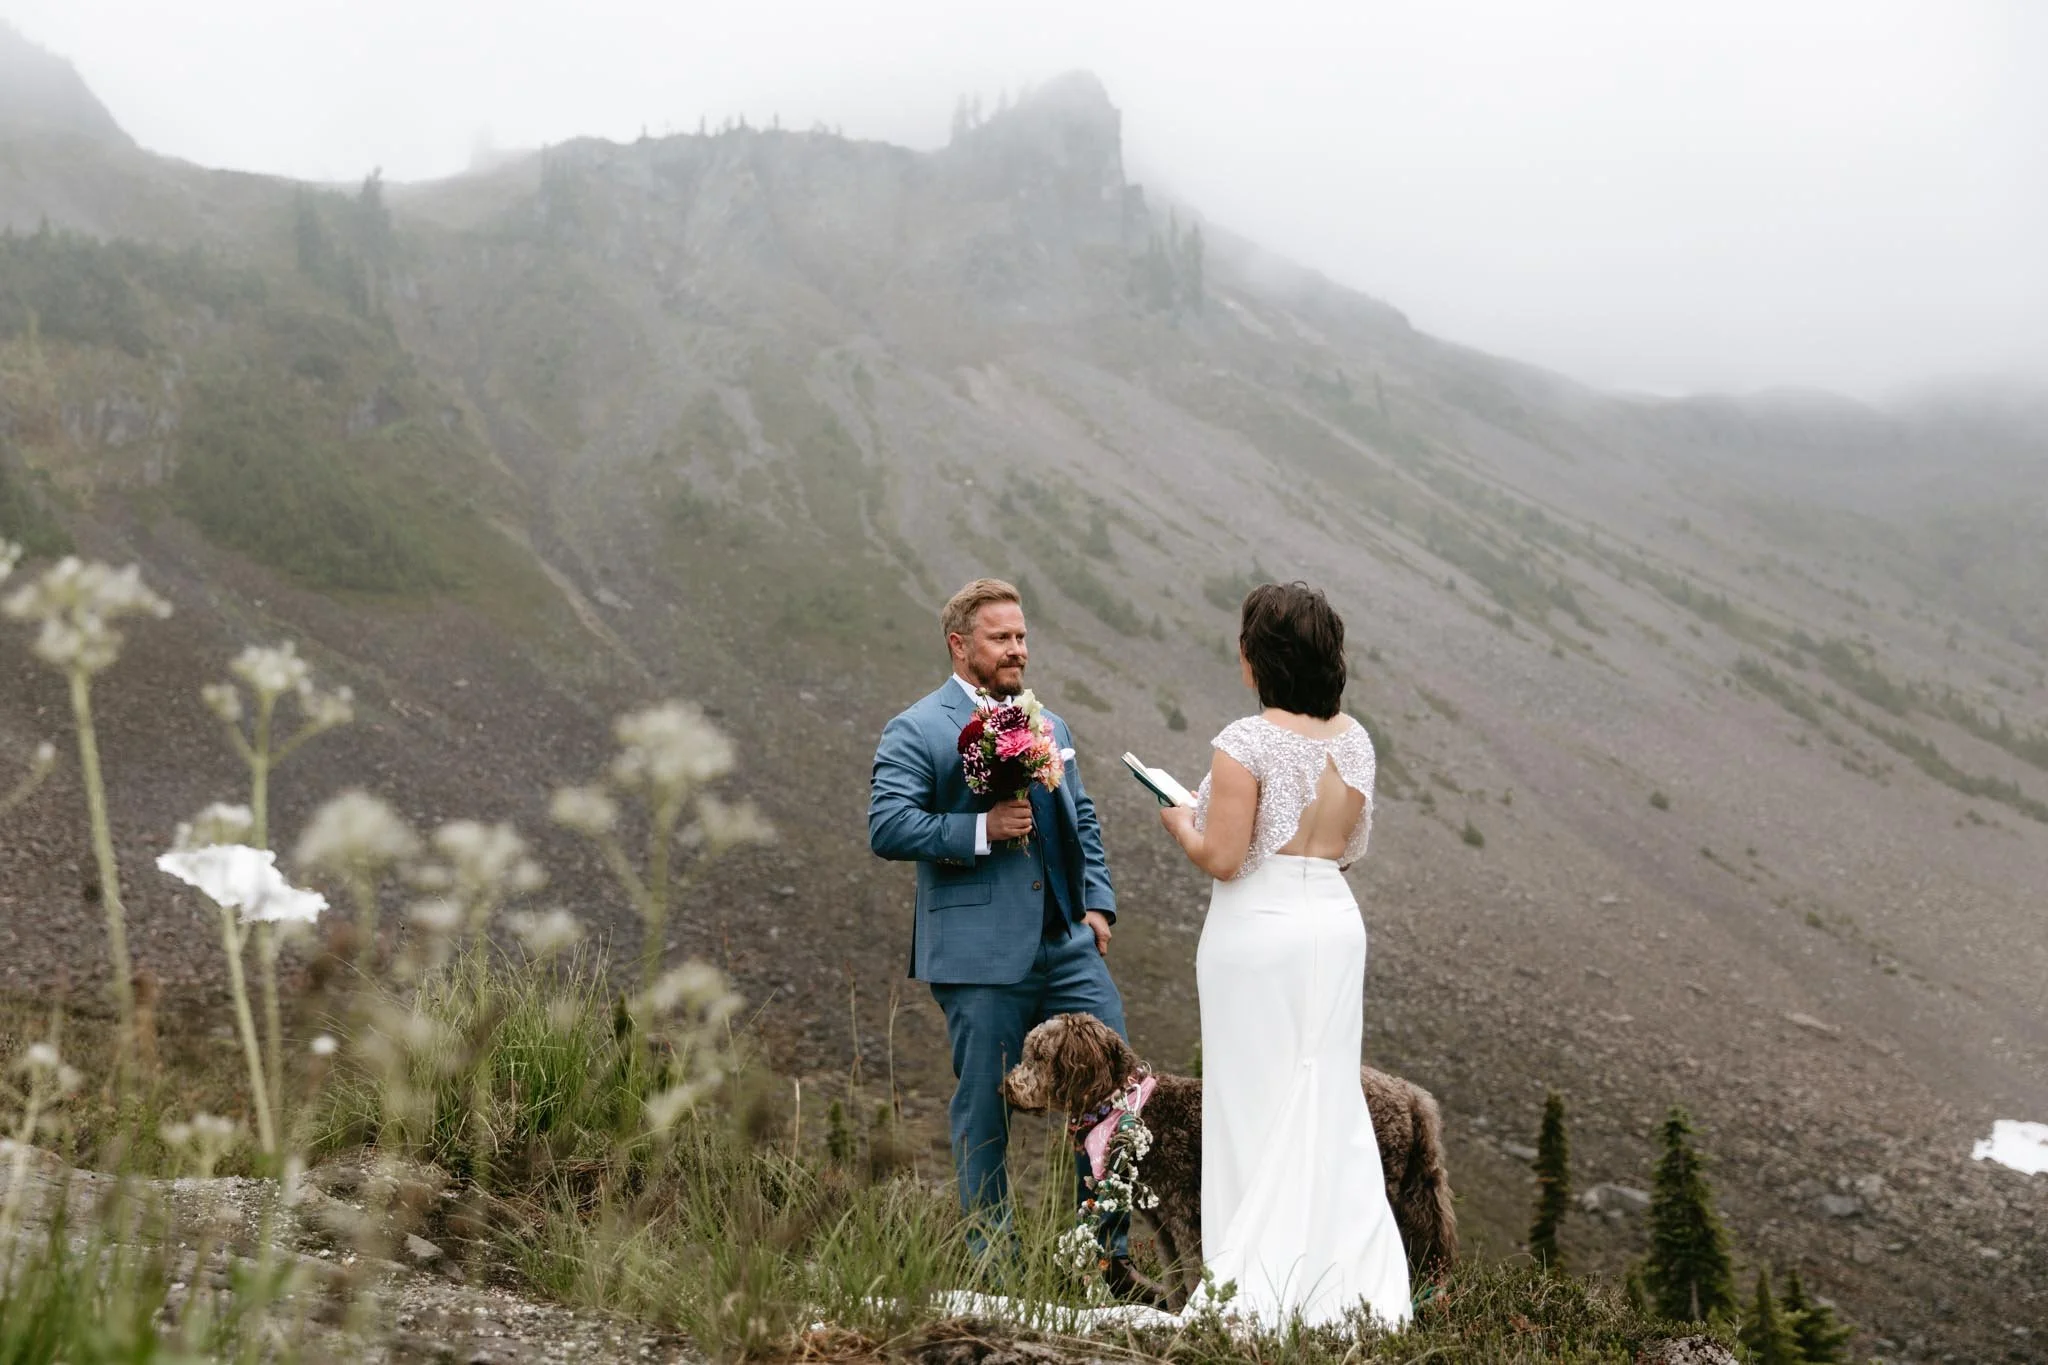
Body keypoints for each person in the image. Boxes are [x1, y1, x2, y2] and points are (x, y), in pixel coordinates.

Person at [1157, 581, 1413, 1330]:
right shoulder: (1355, 739)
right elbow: (1349, 847)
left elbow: (1226, 856)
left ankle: (1253, 1282)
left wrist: (1178, 817)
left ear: (1256, 656)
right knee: (1324, 1094)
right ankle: (1342, 1286)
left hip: (1259, 931)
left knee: (1252, 1100)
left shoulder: (1246, 742)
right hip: (1333, 921)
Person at [868, 578, 1131, 1273]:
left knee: (1118, 1092)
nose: (1017, 649)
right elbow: (888, 824)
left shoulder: (1052, 724)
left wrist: (1097, 902)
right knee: (987, 1108)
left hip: (1069, 946)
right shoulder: (917, 727)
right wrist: (979, 828)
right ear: (960, 645)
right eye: (1001, 638)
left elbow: (1084, 817)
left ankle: (1103, 1260)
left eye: (1021, 636)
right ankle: (995, 1261)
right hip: (978, 955)